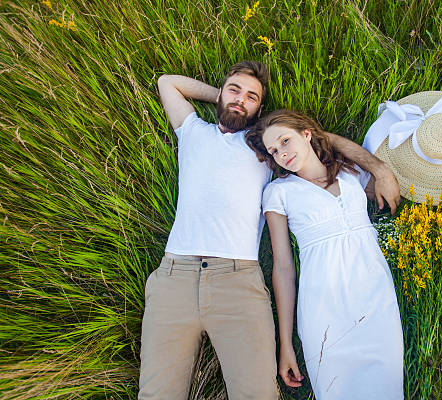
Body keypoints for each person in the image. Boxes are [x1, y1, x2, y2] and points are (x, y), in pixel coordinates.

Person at [139, 61, 401, 400]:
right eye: (235, 90)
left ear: (260, 110)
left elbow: (320, 139)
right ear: (221, 91)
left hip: (237, 280)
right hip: (175, 275)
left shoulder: (262, 148)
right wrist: (225, 97)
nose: (241, 99)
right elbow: (168, 82)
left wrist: (378, 169)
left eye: (252, 97)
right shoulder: (193, 131)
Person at [245, 110, 404, 400]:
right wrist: (286, 345)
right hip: (324, 309)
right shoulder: (279, 192)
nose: (282, 154)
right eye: (274, 151)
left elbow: (354, 154)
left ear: (306, 134)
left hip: (377, 300)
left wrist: (382, 170)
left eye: (285, 141)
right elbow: (282, 268)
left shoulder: (351, 174)